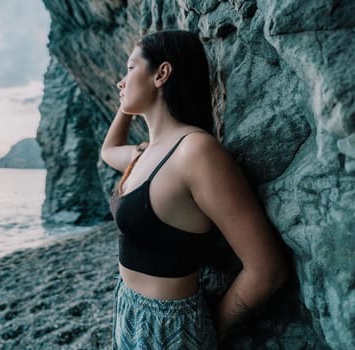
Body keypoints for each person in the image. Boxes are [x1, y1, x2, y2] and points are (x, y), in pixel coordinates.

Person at [101, 30, 289, 349]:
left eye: (130, 68)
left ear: (162, 73)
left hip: (172, 326)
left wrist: (215, 327)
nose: (121, 80)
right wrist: (128, 98)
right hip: (126, 307)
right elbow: (108, 151)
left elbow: (267, 268)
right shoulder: (145, 153)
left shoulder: (196, 153)